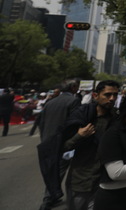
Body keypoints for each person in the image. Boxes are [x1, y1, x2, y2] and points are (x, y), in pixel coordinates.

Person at [61, 80, 120, 210]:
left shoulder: (117, 118)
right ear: (95, 95)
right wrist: (79, 136)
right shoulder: (81, 116)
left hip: (106, 181)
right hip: (81, 181)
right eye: (108, 95)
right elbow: (63, 147)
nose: (112, 99)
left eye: (115, 95)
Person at [37, 80, 81, 210]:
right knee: (65, 171)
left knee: (53, 171)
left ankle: (49, 198)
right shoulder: (73, 101)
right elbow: (73, 123)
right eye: (76, 86)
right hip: (64, 143)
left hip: (48, 141)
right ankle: (55, 199)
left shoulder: (50, 102)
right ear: (73, 88)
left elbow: (41, 123)